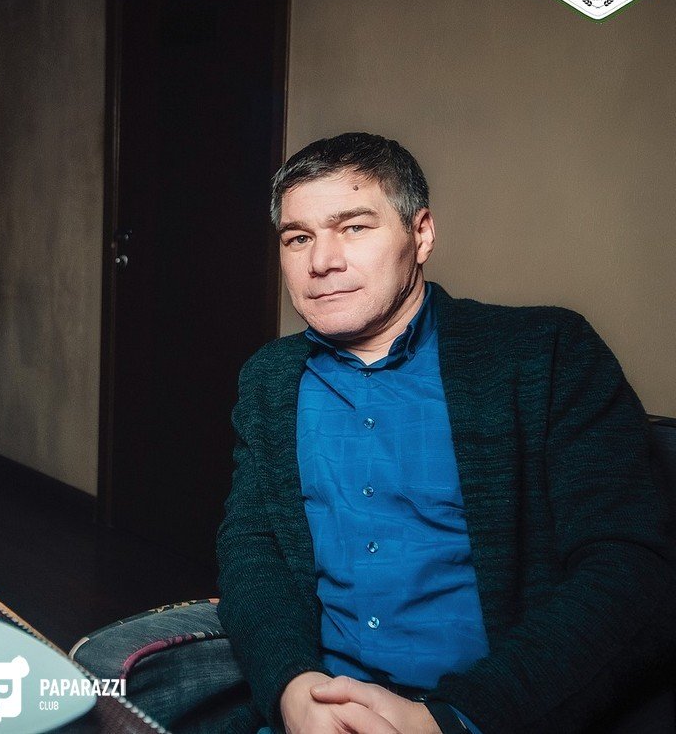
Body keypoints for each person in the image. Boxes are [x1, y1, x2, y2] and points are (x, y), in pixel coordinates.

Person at [214, 132, 673, 733]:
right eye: (298, 238)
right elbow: (252, 551)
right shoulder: (269, 379)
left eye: (354, 228)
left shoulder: (546, 354)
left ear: (422, 234)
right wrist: (293, 688)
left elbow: (631, 568)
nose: (321, 261)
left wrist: (452, 720)